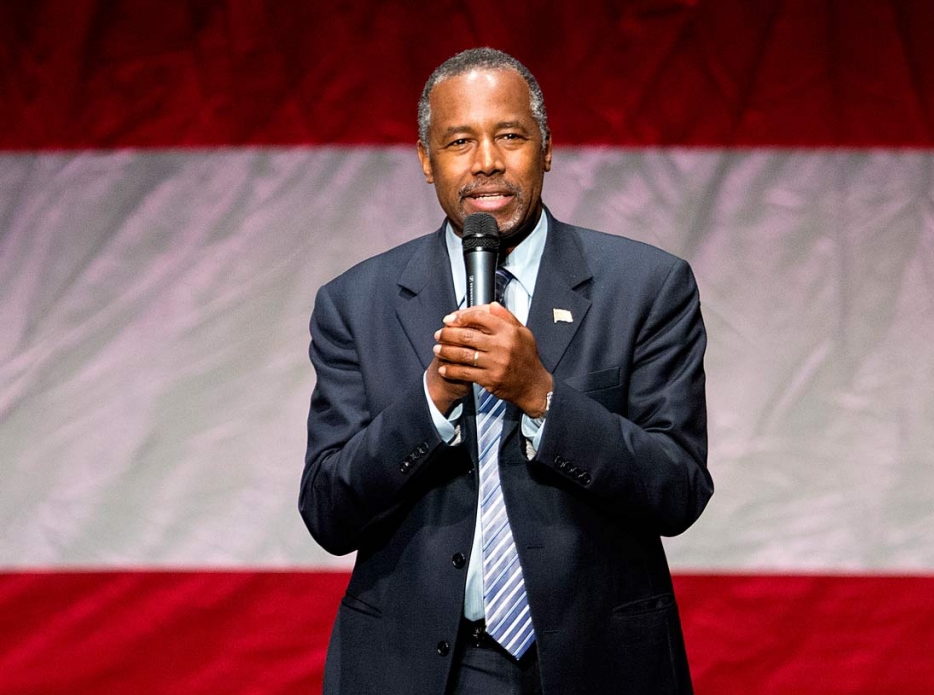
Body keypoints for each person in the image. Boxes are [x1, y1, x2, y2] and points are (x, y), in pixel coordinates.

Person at [300, 47, 712, 695]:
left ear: (546, 149)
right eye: (459, 140)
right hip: (417, 670)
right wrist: (432, 399)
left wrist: (543, 397)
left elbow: (679, 488)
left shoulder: (648, 286)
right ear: (424, 159)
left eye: (510, 135)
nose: (486, 160)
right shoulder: (355, 303)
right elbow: (328, 512)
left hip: (597, 663)